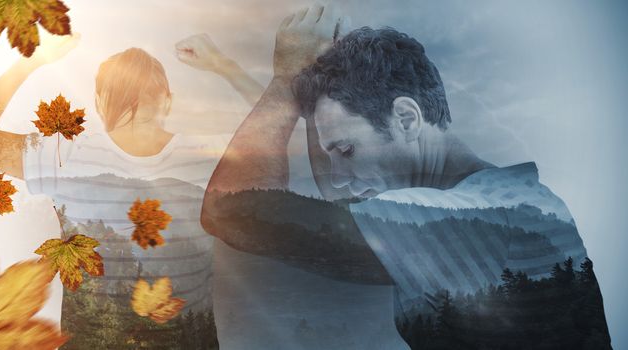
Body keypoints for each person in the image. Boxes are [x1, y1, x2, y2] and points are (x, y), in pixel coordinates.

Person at [201, 4, 611, 349]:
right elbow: (343, 192)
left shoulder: (467, 220)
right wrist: (318, 86)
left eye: (347, 150)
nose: (339, 176)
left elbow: (232, 208)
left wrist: (285, 81)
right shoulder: (511, 201)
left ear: (406, 118)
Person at [0, 32, 263, 349]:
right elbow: (279, 129)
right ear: (167, 100)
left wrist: (31, 62)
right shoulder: (207, 159)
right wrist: (224, 67)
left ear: (99, 103)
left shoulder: (64, 156)